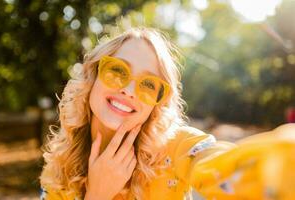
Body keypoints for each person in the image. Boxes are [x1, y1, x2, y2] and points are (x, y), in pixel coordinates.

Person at [39, 27, 295, 200]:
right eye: (117, 70)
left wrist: (279, 161)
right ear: (92, 76)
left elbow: (219, 165)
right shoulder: (58, 170)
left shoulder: (178, 147)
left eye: (149, 85)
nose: (129, 90)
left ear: (157, 104)